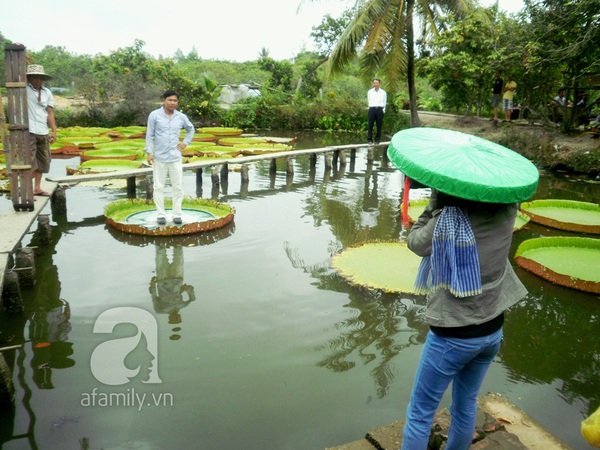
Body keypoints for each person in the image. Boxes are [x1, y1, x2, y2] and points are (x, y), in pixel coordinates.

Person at [402, 189, 528, 450]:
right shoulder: (508, 204)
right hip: (492, 329)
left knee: (420, 413)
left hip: (453, 336)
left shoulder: (449, 215)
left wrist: (435, 199)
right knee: (465, 403)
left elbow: (416, 242)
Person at [145, 89, 195, 225]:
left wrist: (185, 143)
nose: (172, 103)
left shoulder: (181, 117)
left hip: (175, 157)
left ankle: (177, 214)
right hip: (159, 158)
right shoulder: (154, 116)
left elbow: (191, 129)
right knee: (158, 187)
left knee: (177, 186)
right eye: (170, 100)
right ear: (164, 100)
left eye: (175, 100)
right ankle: (160, 214)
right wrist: (149, 152)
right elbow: (149, 135)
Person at [26, 64, 57, 197]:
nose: (38, 80)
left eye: (40, 77)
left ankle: (37, 188)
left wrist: (54, 131)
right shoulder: (23, 89)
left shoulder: (46, 92)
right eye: (34, 77)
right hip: (29, 130)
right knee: (29, 160)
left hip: (42, 130)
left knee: (43, 160)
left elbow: (50, 112)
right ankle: (27, 189)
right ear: (29, 78)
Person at [367, 78, 387, 144]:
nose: (375, 84)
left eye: (376, 83)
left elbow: (384, 102)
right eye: (374, 83)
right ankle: (369, 139)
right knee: (370, 125)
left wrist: (383, 110)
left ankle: (377, 140)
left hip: (379, 109)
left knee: (379, 125)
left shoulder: (383, 93)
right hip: (372, 109)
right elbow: (369, 100)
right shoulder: (370, 92)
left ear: (379, 84)